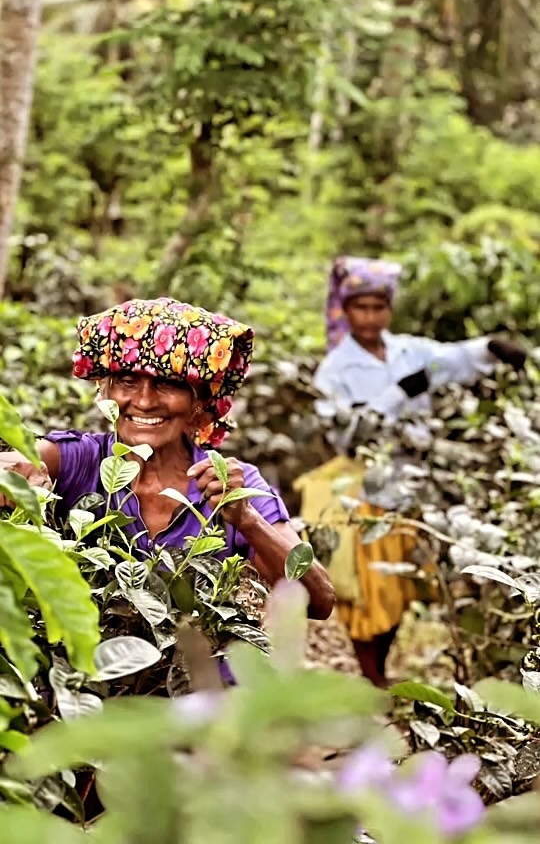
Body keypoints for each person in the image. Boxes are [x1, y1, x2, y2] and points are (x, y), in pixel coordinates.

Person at [0, 297, 335, 624]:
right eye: (128, 381)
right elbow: (23, 458)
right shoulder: (81, 460)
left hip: (200, 676)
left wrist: (247, 520)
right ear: (104, 391)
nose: (144, 401)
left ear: (200, 401)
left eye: (167, 384)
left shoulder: (232, 482)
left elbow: (319, 601)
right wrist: (16, 469)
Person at [295, 256, 526, 686]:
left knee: (402, 587)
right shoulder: (335, 369)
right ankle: (371, 675)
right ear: (346, 310)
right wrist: (398, 393)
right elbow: (345, 434)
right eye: (360, 307)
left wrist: (491, 347)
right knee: (368, 592)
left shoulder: (410, 350)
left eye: (378, 307)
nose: (369, 316)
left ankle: (380, 670)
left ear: (389, 309)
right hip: (363, 483)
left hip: (414, 481)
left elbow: (452, 360)